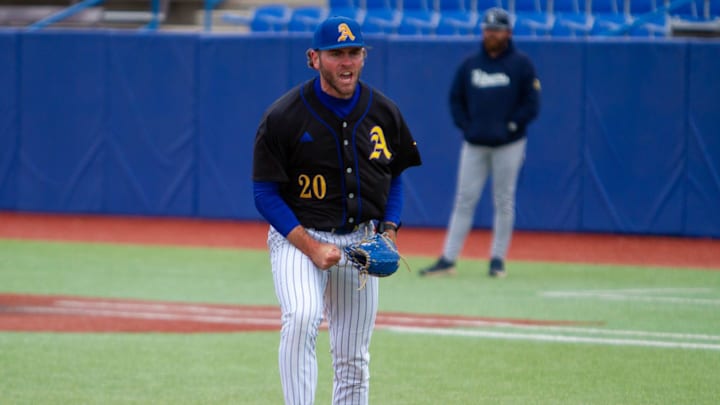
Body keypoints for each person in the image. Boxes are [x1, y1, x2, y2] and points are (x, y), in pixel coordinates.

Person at [252, 16, 422, 405]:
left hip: (361, 240)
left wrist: (390, 231)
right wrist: (311, 248)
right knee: (302, 318)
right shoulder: (284, 116)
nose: (346, 62)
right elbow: (264, 194)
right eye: (336, 54)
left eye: (354, 52)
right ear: (314, 58)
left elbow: (395, 176)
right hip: (299, 238)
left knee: (352, 357)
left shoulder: (384, 111)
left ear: (364, 56)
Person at [419, 7, 540, 278]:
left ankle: (497, 259)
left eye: (496, 30)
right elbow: (455, 99)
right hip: (475, 143)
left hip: (509, 144)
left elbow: (531, 104)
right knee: (464, 200)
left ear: (507, 33)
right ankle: (448, 259)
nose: (491, 34)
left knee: (504, 200)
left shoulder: (521, 64)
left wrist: (511, 125)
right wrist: (467, 126)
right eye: (487, 29)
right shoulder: (470, 65)